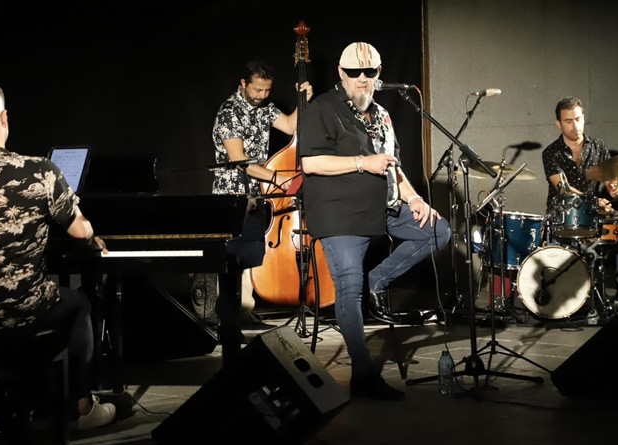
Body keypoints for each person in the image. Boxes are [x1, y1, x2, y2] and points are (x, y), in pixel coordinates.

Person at [0, 80, 116, 431]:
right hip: (23, 313)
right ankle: (83, 408)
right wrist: (91, 239)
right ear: (5, 118)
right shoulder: (38, 171)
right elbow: (81, 231)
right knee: (80, 305)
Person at [298, 42, 451, 400]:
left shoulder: (382, 114)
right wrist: (361, 163)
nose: (362, 79)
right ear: (341, 73)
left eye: (370, 73)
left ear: (379, 74)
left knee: (438, 231)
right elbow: (310, 164)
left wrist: (414, 198)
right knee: (349, 289)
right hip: (341, 213)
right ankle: (363, 375)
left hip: (384, 204)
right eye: (355, 73)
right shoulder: (322, 108)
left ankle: (378, 278)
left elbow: (393, 165)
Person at [191, 60, 314, 327]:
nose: (263, 96)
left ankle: (243, 314)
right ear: (243, 84)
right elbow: (239, 161)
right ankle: (225, 316)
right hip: (231, 195)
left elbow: (291, 126)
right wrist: (278, 178)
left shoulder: (265, 108)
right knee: (232, 256)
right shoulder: (228, 112)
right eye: (257, 90)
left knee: (249, 256)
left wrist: (303, 99)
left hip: (256, 194)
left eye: (267, 90)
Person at [541, 96, 618, 303]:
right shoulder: (550, 152)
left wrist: (613, 184)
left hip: (593, 212)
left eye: (578, 119)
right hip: (561, 212)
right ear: (558, 124)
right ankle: (567, 294)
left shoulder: (598, 146)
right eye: (569, 121)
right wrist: (594, 201)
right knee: (558, 247)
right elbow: (563, 189)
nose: (576, 126)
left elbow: (611, 174)